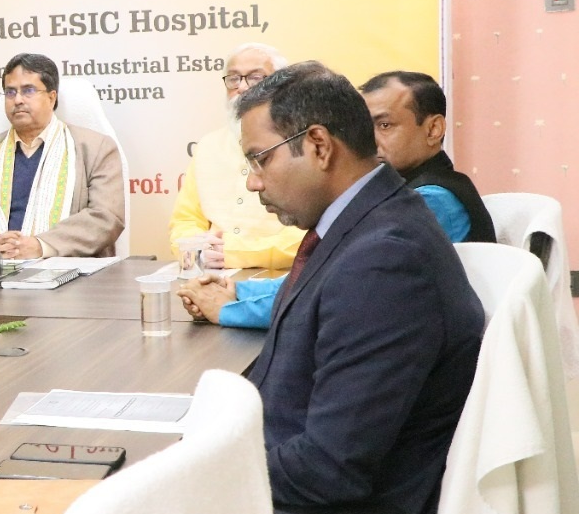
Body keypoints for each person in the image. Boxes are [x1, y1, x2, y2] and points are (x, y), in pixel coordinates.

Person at [232, 61, 483, 514]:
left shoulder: (385, 259)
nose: (253, 182)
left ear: (319, 145)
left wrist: (197, 473)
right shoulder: (365, 227)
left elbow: (329, 469)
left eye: (259, 159)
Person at [181, 70, 496, 326]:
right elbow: (319, 279)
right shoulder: (396, 194)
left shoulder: (427, 204)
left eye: (385, 125)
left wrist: (229, 309)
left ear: (434, 129)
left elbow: (332, 300)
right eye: (365, 125)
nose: (369, 139)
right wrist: (239, 290)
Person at [0, 53, 125, 258]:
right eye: (10, 92)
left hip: (75, 272)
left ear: (51, 97)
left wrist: (40, 246)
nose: (17, 100)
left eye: (28, 90)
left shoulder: (95, 149)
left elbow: (106, 219)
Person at [168, 42, 304, 269]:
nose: (241, 87)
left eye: (255, 78)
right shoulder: (208, 146)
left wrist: (235, 253)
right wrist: (197, 251)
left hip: (283, 278)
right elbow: (185, 220)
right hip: (211, 275)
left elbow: (309, 235)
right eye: (233, 78)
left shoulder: (300, 143)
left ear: (282, 86)